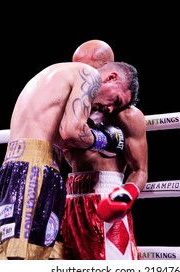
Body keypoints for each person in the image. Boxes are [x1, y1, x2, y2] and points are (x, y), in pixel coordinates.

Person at [0, 59, 140, 260]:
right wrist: (105, 141)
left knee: (24, 255)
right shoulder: (89, 75)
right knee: (24, 259)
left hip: (15, 166)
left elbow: (62, 138)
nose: (111, 109)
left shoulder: (54, 75)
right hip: (36, 170)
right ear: (111, 78)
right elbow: (71, 131)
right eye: (116, 100)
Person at [51, 39, 148, 260]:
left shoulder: (126, 115)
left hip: (105, 198)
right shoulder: (72, 112)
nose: (81, 74)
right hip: (70, 202)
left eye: (88, 67)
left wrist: (125, 194)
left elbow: (140, 170)